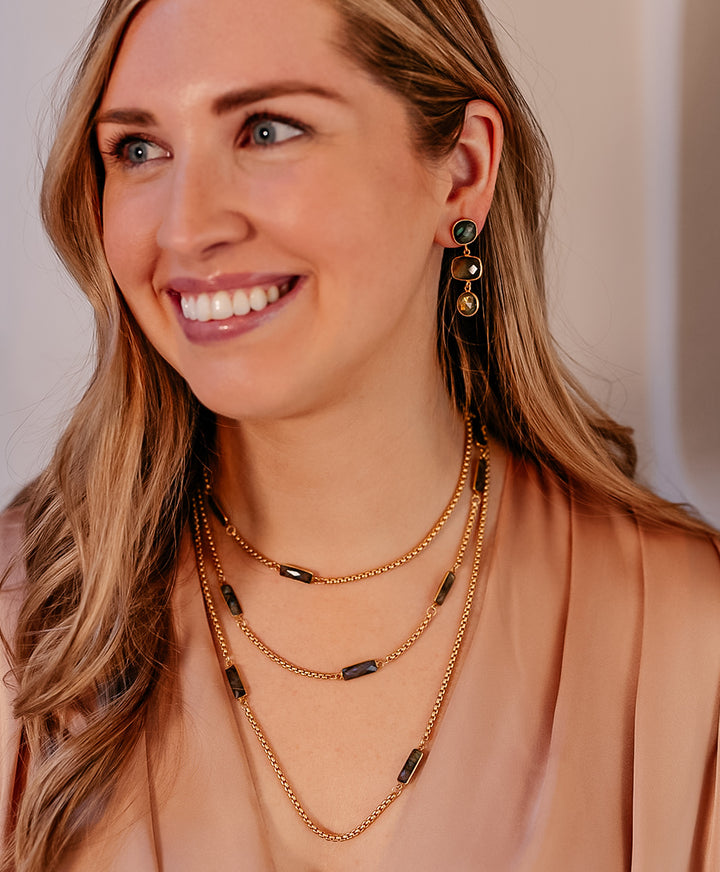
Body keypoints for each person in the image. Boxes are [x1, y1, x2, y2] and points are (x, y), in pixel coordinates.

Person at [1, 0, 718, 869]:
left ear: (462, 171)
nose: (185, 228)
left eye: (267, 130)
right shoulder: (24, 624)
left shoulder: (687, 641)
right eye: (139, 149)